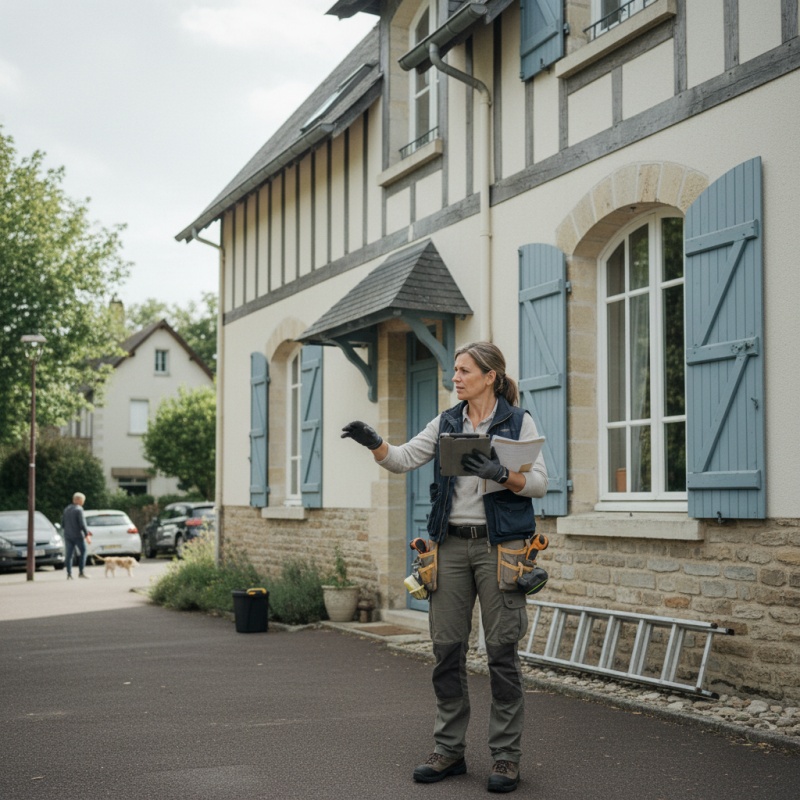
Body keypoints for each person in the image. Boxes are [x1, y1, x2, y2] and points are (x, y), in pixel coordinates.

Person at [342, 341, 547, 794]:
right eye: (454, 370)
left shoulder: (518, 421)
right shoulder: (447, 420)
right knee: (447, 652)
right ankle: (449, 750)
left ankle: (506, 758)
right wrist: (373, 442)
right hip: (449, 547)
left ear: (490, 375)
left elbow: (539, 483)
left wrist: (500, 474)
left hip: (502, 549)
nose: (455, 377)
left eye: (464, 370)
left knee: (502, 655)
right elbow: (403, 459)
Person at [62, 492, 90, 580]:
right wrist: (87, 535)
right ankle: (81, 572)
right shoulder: (79, 509)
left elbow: (63, 524)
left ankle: (69, 574)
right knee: (83, 551)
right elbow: (82, 524)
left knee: (69, 555)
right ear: (78, 500)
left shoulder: (66, 509)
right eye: (83, 500)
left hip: (67, 535)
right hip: (77, 535)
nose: (83, 502)